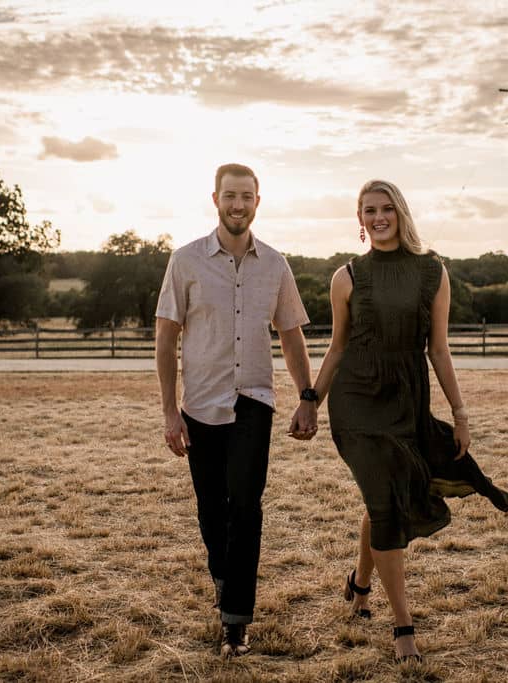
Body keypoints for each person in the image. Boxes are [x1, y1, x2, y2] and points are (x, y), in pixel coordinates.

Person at [308, 179, 508, 662]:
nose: (377, 218)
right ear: (359, 219)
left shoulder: (432, 272)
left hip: (406, 402)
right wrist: (310, 401)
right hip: (357, 403)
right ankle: (404, 627)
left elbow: (438, 349)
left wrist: (460, 414)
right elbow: (337, 347)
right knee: (384, 500)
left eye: (385, 209)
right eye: (368, 211)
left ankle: (360, 582)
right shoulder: (347, 277)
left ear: (400, 213)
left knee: (387, 496)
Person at [155, 163, 319, 657]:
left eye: (246, 197)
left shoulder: (275, 264)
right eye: (230, 196)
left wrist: (307, 397)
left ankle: (235, 622)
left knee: (245, 508)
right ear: (215, 199)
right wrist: (169, 412)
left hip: (253, 401)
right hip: (201, 404)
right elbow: (166, 341)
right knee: (212, 510)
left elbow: (292, 335)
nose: (238, 205)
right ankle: (225, 579)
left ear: (257, 202)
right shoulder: (184, 262)